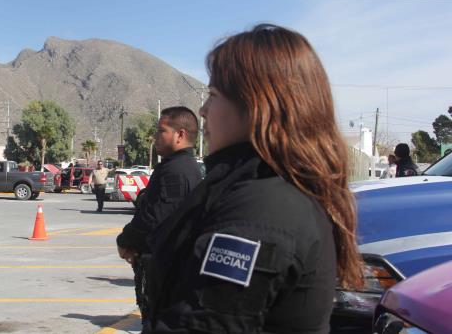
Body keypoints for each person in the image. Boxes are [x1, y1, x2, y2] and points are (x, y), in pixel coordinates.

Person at [145, 25, 363, 333]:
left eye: (213, 95)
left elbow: (203, 322)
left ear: (257, 106)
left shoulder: (262, 210)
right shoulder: (256, 187)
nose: (203, 110)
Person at [116, 106, 203, 326]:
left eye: (161, 130)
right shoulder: (177, 167)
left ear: (180, 135)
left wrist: (126, 240)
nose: (156, 136)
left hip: (164, 271)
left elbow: (157, 217)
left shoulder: (177, 170)